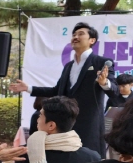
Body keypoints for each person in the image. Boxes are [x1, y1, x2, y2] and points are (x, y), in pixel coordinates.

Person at [10, 21, 117, 155]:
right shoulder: (68, 66)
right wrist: (28, 88)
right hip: (66, 124)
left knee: (88, 161)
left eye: (80, 34)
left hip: (89, 125)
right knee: (65, 162)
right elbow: (56, 91)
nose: (75, 37)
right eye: (74, 34)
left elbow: (115, 90)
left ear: (92, 40)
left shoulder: (102, 62)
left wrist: (104, 82)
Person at [25, 96, 101, 163]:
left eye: (40, 115)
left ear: (51, 125)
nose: (37, 120)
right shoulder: (92, 158)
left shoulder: (25, 153)